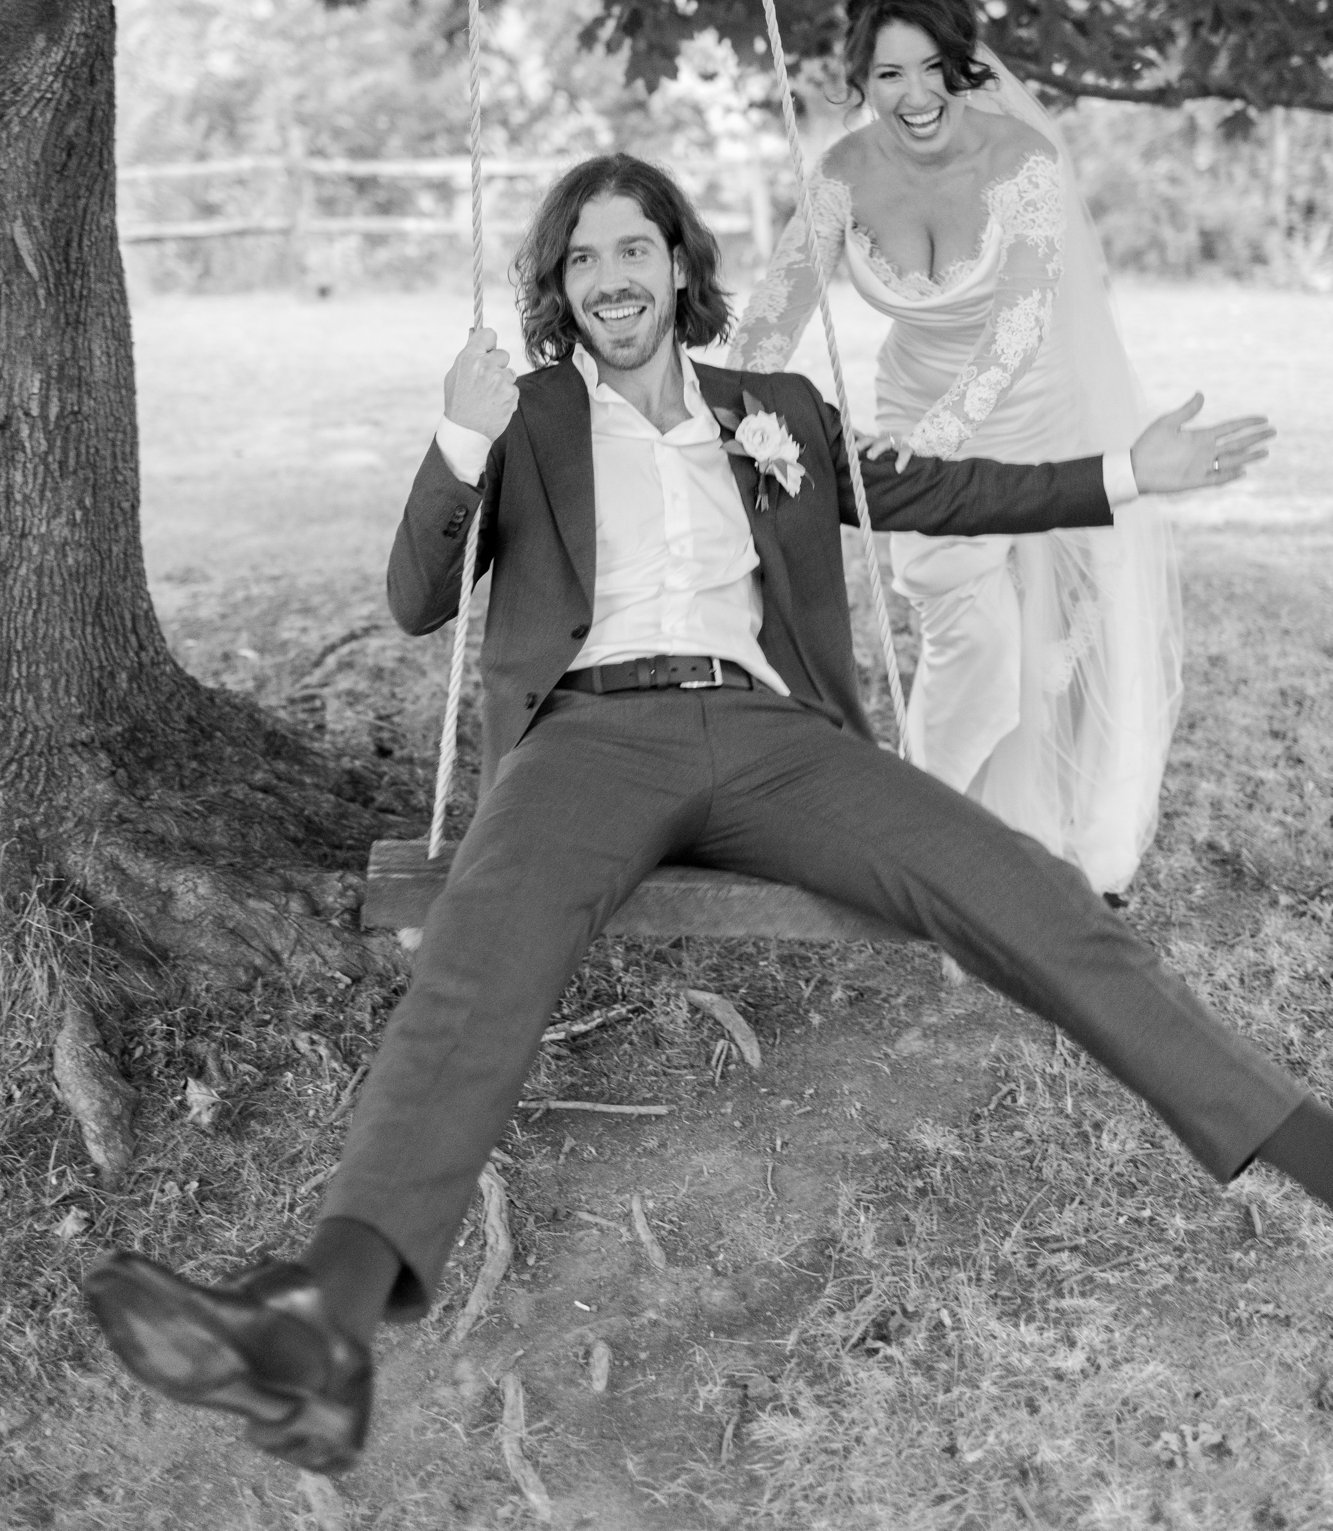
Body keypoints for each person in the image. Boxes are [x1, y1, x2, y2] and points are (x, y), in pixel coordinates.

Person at [86, 153, 1331, 1480]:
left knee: (1022, 885)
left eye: (632, 248)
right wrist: (457, 436)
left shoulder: (773, 407)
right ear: (560, 290)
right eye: (581, 259)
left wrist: (1128, 470)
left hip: (770, 736)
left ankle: (1308, 1145)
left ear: (677, 265)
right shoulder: (527, 415)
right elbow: (414, 598)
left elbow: (940, 490)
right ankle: (318, 1323)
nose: (609, 277)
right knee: (477, 955)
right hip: (585, 737)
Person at [731, 0, 1179, 897]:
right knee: (967, 635)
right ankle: (924, 839)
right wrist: (728, 403)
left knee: (1058, 637)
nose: (915, 94)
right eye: (889, 73)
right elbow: (776, 309)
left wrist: (936, 438)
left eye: (933, 67)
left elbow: (1019, 319)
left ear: (963, 64)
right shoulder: (842, 173)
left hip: (1034, 410)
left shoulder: (1022, 161)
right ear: (860, 79)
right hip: (910, 411)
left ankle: (1059, 849)